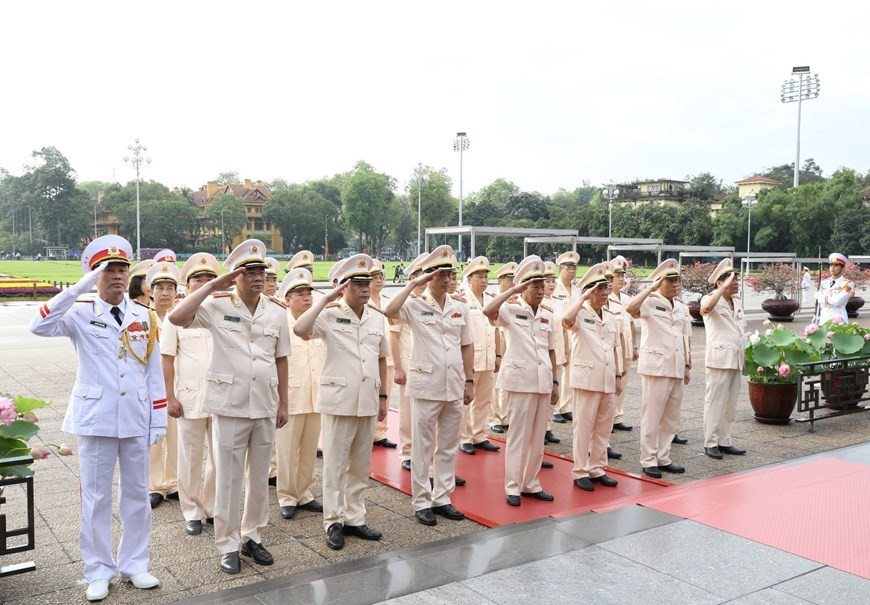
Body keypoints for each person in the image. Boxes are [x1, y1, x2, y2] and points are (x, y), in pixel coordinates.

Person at [30, 235, 165, 602]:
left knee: (136, 494)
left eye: (122, 269)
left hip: (136, 416)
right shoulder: (79, 312)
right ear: (95, 276)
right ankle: (98, 570)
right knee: (95, 497)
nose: (118, 276)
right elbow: (38, 326)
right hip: (96, 417)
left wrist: (160, 418)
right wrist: (78, 288)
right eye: (108, 270)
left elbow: (154, 373)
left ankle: (135, 563)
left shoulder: (145, 316)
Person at [169, 239, 291, 575]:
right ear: (235, 276)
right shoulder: (217, 305)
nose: (257, 277)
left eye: (260, 271)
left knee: (258, 478)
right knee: (228, 479)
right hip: (229, 405)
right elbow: (178, 316)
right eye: (249, 271)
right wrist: (210, 285)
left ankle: (253, 535)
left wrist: (284, 403)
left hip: (265, 404)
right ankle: (227, 543)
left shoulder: (277, 311)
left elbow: (281, 359)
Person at [293, 254, 388, 551]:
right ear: (343, 287)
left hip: (368, 399)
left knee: (360, 463)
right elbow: (300, 329)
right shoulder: (330, 313)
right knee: (335, 464)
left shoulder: (376, 316)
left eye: (366, 282)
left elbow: (382, 357)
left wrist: (384, 396)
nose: (364, 288)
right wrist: (324, 299)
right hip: (338, 400)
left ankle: (354, 516)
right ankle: (333, 519)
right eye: (357, 283)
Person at [384, 245, 474, 526]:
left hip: (454, 383)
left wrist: (470, 380)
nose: (446, 280)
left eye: (450, 274)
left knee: (448, 444)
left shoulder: (460, 307)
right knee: (423, 447)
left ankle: (442, 497)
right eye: (440, 275)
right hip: (426, 384)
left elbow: (467, 345)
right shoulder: (414, 304)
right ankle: (422, 500)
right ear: (427, 277)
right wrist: (414, 283)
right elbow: (389, 310)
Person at [483, 256, 558, 507]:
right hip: (520, 381)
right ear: (524, 287)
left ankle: (530, 483)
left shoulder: (548, 313)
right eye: (534, 286)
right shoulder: (511, 309)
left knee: (537, 437)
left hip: (543, 380)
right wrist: (512, 291)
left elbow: (551, 350)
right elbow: (487, 311)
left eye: (542, 285)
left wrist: (556, 381)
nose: (539, 290)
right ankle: (513, 486)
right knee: (518, 436)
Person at [161, 253, 220, 536]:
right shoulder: (176, 316)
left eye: (210, 279)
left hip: (222, 397)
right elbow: (167, 359)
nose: (205, 284)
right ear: (187, 285)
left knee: (221, 457)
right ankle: (192, 510)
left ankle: (211, 505)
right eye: (199, 279)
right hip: (189, 397)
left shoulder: (224, 312)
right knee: (190, 457)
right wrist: (170, 397)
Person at [625, 259, 690, 479]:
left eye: (677, 281)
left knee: (671, 417)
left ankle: (663, 457)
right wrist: (650, 288)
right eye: (670, 281)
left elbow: (683, 337)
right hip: (656, 368)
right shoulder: (650, 302)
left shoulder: (681, 306)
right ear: (659, 282)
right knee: (652, 416)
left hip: (676, 366)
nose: (675, 285)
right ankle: (648, 459)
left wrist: (687, 365)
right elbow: (630, 308)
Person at [562, 262, 622, 492]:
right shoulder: (579, 314)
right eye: (599, 289)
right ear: (589, 292)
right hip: (586, 379)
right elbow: (566, 320)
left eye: (606, 289)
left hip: (606, 377)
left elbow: (613, 348)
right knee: (583, 427)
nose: (605, 293)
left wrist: (617, 375)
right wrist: (582, 297)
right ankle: (580, 471)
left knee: (604, 427)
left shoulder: (610, 316)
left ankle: (597, 468)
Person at [274, 268, 326, 520]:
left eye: (309, 294)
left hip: (315, 396)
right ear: (287, 298)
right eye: (300, 294)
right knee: (286, 450)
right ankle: (286, 496)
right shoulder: (279, 323)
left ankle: (304, 493)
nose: (307, 299)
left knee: (308, 449)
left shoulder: (317, 322)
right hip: (289, 398)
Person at [700, 258, 747, 460]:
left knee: (730, 403)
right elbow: (706, 309)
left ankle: (724, 440)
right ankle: (710, 442)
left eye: (736, 280)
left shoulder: (736, 302)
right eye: (732, 280)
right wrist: (721, 289)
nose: (736, 283)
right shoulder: (710, 298)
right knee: (715, 402)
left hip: (736, 358)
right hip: (719, 359)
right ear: (720, 283)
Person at [145, 261, 182, 508]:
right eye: (160, 288)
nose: (165, 293)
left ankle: (175, 483)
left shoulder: (183, 316)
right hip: (150, 388)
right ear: (151, 291)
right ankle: (155, 486)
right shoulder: (140, 317)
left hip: (180, 384)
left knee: (178, 438)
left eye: (170, 287)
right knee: (153, 440)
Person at [458, 256, 501, 455]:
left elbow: (496, 330)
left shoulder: (492, 300)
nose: (484, 280)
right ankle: (464, 437)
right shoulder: (462, 300)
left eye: (485, 277)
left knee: (484, 399)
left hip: (488, 357)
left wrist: (499, 355)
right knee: (467, 400)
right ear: (469, 279)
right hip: (471, 359)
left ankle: (479, 434)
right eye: (479, 277)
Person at [391, 253, 428, 471]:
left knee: (425, 414)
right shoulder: (403, 301)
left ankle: (422, 452)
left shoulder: (431, 300)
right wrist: (397, 366)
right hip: (407, 362)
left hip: (427, 365)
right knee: (407, 412)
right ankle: (406, 451)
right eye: (421, 277)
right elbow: (393, 336)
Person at [369, 258, 397, 449]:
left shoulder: (388, 302)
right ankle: (368, 433)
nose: (379, 280)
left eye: (381, 276)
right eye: (374, 277)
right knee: (368, 396)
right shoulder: (363, 303)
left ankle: (380, 432)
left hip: (386, 357)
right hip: (371, 357)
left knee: (385, 394)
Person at [489, 261, 517, 434]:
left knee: (508, 382)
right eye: (510, 278)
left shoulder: (515, 300)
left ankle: (505, 416)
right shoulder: (492, 298)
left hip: (510, 343)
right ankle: (494, 418)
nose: (513, 282)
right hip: (496, 343)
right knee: (494, 385)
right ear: (500, 280)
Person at [552, 251, 579, 424]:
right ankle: (555, 409)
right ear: (560, 269)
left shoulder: (577, 289)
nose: (571, 271)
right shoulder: (554, 287)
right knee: (559, 371)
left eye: (573, 268)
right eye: (568, 267)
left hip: (574, 334)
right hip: (559, 333)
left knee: (571, 372)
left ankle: (565, 406)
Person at [541, 261, 564, 446]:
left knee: (554, 391)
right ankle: (540, 429)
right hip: (543, 353)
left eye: (553, 280)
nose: (551, 284)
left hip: (557, 351)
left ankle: (547, 427)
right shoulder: (538, 301)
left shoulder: (559, 302)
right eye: (547, 281)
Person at [815, 253, 853, 325]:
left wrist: (822, 298)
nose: (832, 268)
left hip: (838, 319)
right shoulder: (823, 283)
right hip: (823, 318)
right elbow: (817, 300)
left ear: (842, 268)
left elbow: (837, 301)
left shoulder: (848, 284)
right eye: (831, 265)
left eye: (836, 265)